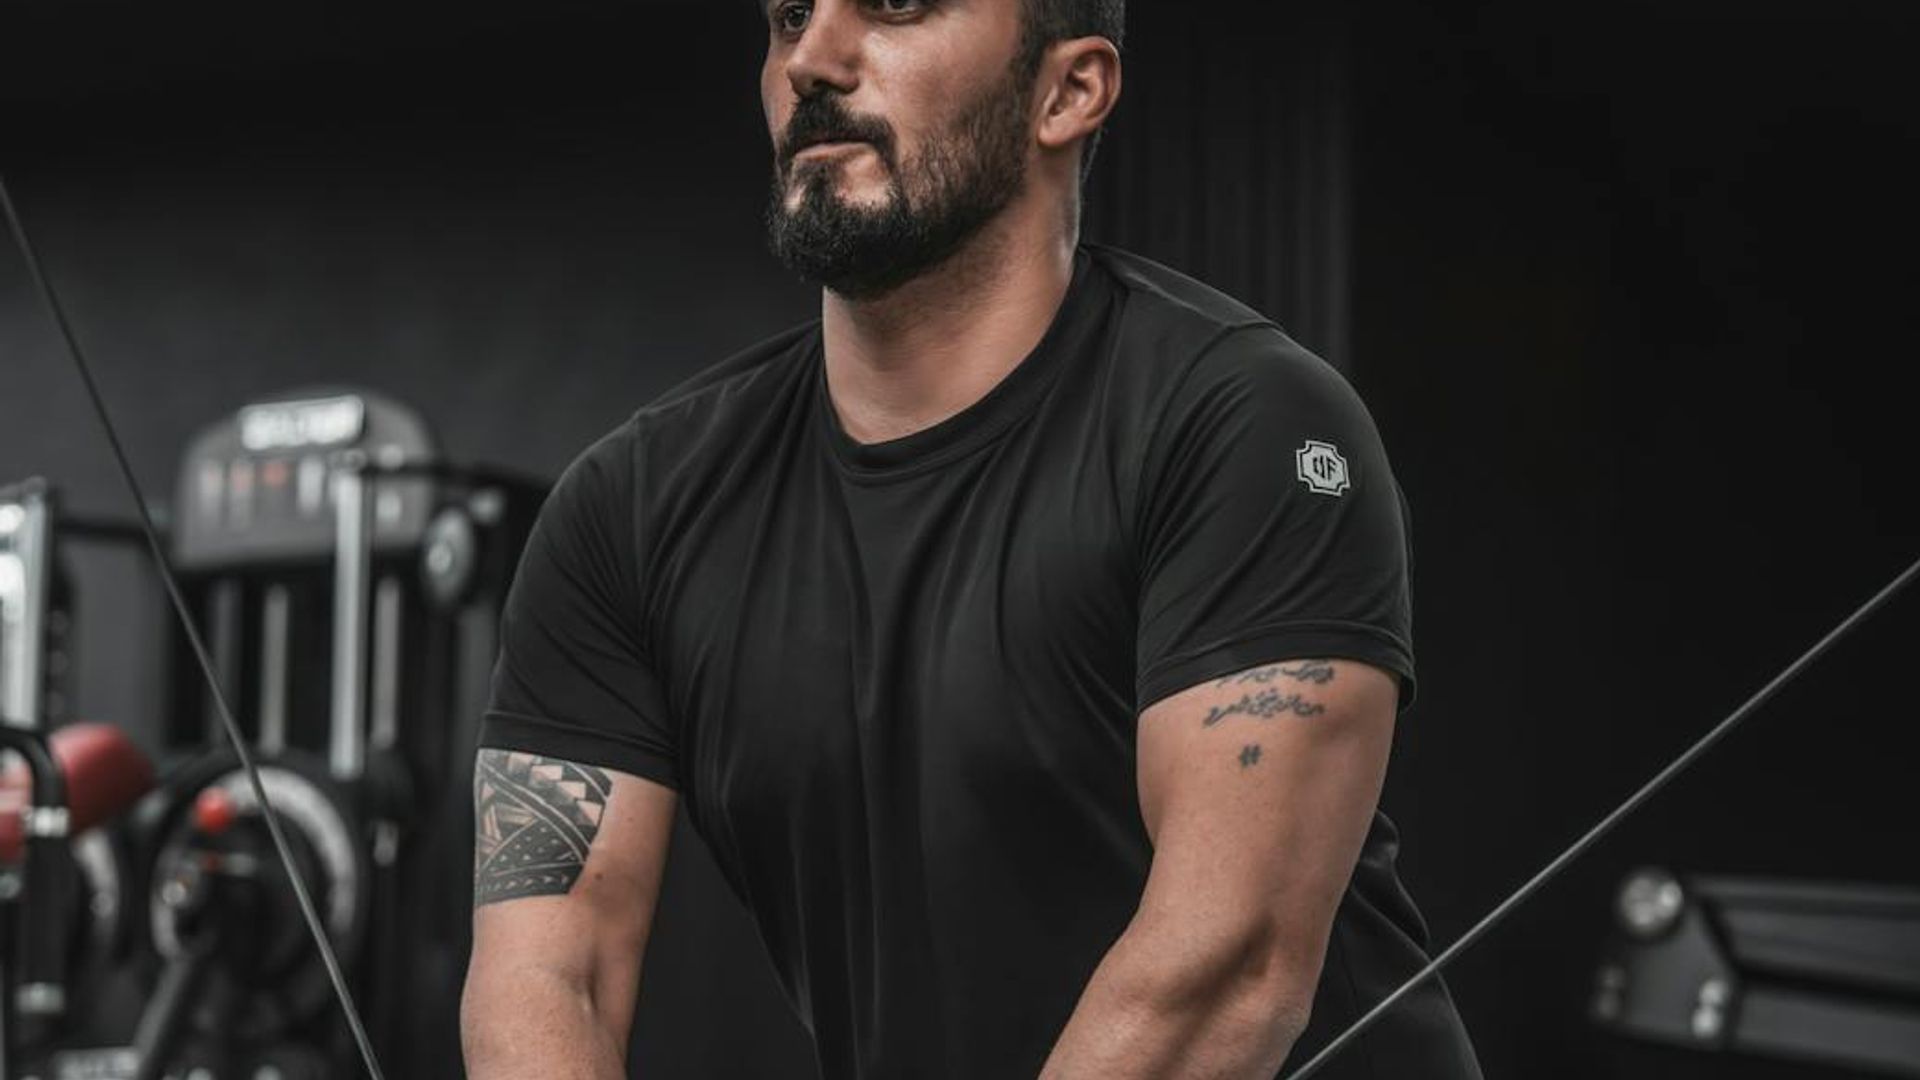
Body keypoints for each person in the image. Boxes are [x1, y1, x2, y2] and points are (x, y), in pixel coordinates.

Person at [460, 1, 1482, 1077]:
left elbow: (1224, 970)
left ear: (1068, 91)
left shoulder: (1242, 426)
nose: (812, 59)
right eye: (789, 16)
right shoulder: (629, 510)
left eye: (895, 6)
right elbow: (547, 975)